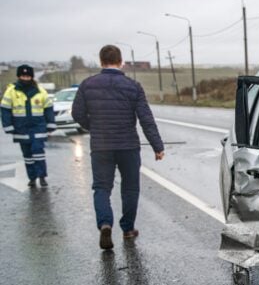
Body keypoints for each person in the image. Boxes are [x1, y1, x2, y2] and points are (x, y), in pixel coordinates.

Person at [72, 45, 165, 250]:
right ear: (121, 61)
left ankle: (105, 224)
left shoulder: (87, 85)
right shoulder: (133, 86)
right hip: (128, 146)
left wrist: (94, 126)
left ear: (100, 61)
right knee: (130, 187)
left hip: (101, 146)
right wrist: (157, 146)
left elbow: (77, 114)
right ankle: (128, 229)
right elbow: (146, 119)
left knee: (102, 187)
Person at [1, 65, 56, 187]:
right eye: (23, 76)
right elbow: (5, 109)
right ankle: (32, 177)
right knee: (27, 156)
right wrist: (8, 126)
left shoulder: (40, 91)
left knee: (38, 152)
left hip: (38, 126)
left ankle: (42, 177)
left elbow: (48, 108)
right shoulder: (11, 91)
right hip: (21, 128)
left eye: (28, 76)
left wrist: (51, 124)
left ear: (31, 77)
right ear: (18, 76)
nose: (25, 78)